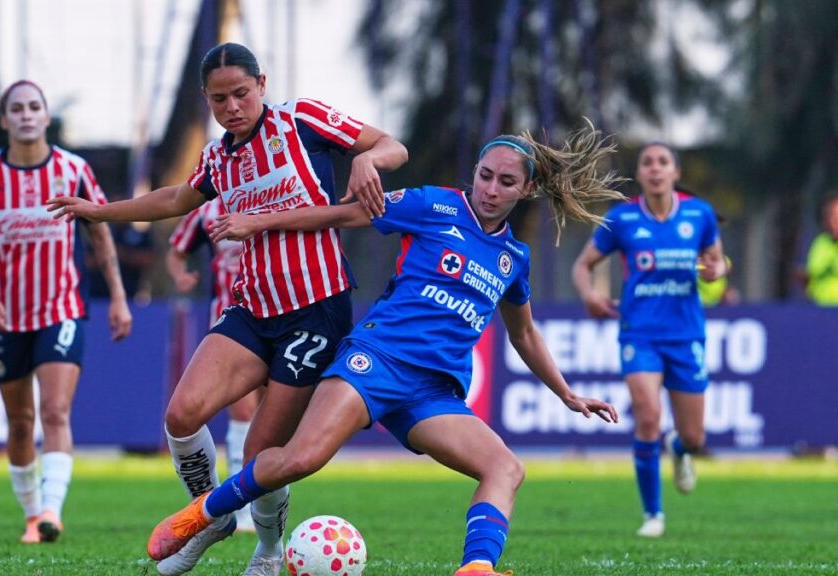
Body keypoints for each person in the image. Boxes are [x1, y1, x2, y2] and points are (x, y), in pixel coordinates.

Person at [146, 124, 622, 576]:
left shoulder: (513, 258)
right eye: (485, 176)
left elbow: (525, 335)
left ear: (526, 190)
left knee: (505, 467)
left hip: (433, 394)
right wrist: (260, 222)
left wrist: (567, 394)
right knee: (299, 459)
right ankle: (202, 514)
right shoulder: (434, 205)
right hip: (374, 361)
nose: (491, 189)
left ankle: (477, 566)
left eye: (506, 182)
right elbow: (342, 214)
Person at [48, 42, 407, 575]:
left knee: (263, 459)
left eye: (241, 93)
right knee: (181, 414)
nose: (232, 106)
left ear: (262, 84)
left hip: (316, 309)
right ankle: (210, 516)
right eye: (219, 99)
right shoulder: (218, 157)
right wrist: (100, 211)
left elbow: (392, 147)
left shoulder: (302, 119)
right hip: (252, 307)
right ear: (207, 101)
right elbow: (174, 200)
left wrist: (367, 161)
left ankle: (267, 550)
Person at [0, 80, 133, 545]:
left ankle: (53, 510)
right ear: (4, 120)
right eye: (16, 108)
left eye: (34, 106)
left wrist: (117, 295)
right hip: (6, 313)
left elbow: (99, 232)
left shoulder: (73, 169)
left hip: (61, 309)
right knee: (19, 421)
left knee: (55, 410)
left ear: (45, 115)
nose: (27, 115)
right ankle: (33, 514)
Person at [571, 141, 727, 538]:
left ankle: (680, 449)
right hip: (638, 332)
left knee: (694, 437)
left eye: (663, 162)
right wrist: (589, 295)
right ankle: (653, 514)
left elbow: (716, 260)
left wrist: (716, 270)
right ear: (639, 175)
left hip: (686, 332)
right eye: (647, 163)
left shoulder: (699, 213)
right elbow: (583, 265)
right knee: (648, 415)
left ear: (675, 172)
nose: (655, 168)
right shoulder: (622, 219)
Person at [166, 195, 263, 533]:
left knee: (268, 423)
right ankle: (240, 508)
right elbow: (177, 249)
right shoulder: (207, 210)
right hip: (231, 323)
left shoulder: (276, 193)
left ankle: (262, 508)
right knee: (243, 415)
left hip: (278, 316)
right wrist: (180, 275)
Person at [803, 195, 838, 305]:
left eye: (836, 217)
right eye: (830, 216)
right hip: (821, 309)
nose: (833, 221)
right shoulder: (820, 243)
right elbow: (811, 275)